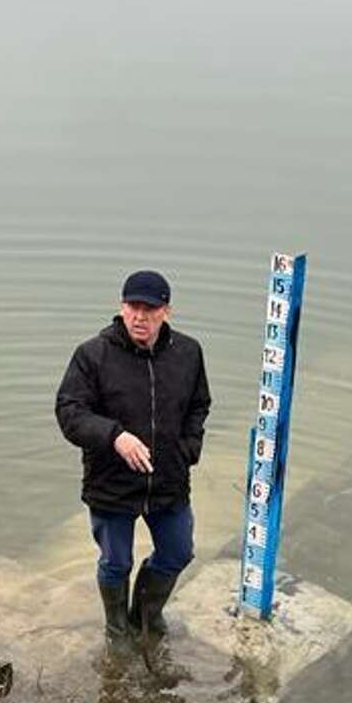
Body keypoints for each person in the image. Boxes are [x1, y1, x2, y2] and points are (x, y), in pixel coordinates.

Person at [54, 270, 213, 665]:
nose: (140, 316)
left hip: (168, 481)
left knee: (178, 551)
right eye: (133, 306)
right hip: (111, 483)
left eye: (150, 308)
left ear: (167, 311)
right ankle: (117, 630)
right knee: (116, 562)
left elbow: (199, 405)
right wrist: (114, 436)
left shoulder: (188, 353)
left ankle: (146, 615)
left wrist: (188, 449)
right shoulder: (92, 354)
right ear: (121, 307)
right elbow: (69, 412)